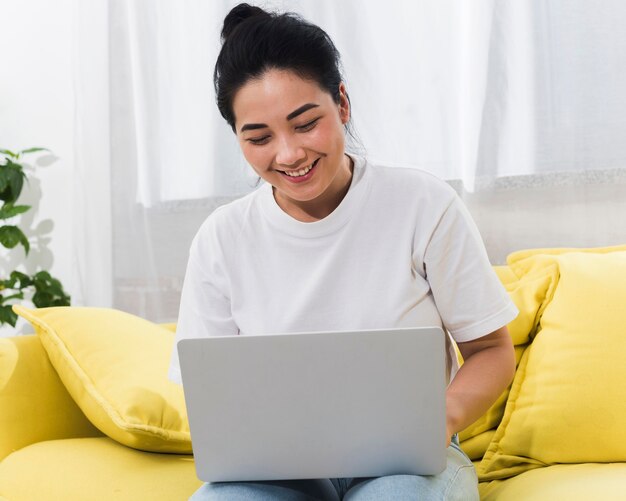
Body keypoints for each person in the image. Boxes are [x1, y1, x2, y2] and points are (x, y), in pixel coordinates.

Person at [169, 3, 518, 500]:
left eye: (305, 123)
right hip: (277, 471)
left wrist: (443, 418)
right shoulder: (221, 238)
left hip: (405, 464)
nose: (288, 154)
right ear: (238, 139)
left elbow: (491, 351)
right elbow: (207, 392)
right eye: (259, 137)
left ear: (343, 104)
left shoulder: (423, 204)